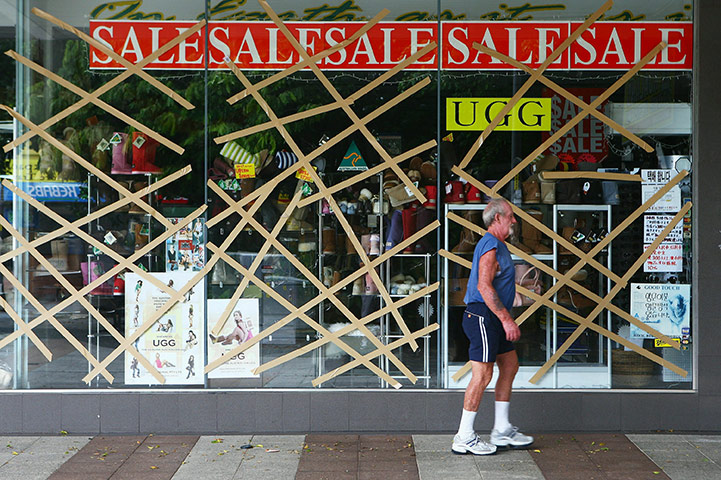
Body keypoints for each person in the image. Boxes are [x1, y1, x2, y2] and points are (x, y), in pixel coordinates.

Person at [452, 198, 533, 456]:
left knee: (509, 365)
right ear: (496, 218)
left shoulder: (499, 245)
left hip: (493, 316)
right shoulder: (489, 244)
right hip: (482, 316)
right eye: (510, 216)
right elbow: (483, 286)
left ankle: (501, 428)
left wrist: (513, 300)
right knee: (483, 375)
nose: (514, 220)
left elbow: (495, 284)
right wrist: (506, 318)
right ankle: (464, 436)